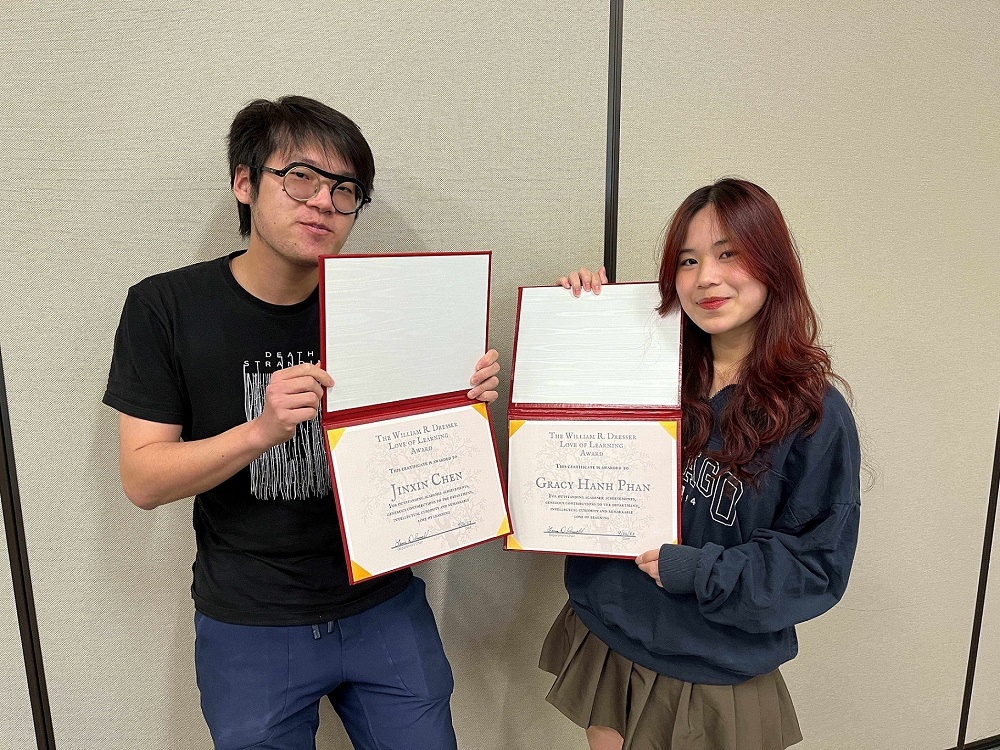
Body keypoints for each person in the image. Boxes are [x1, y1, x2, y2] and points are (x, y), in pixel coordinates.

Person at [103, 96, 500, 750]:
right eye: (300, 178)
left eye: (345, 190)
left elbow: (421, 444)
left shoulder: (386, 305)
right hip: (252, 624)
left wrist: (460, 403)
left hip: (383, 604)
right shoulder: (165, 307)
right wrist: (258, 432)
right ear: (244, 182)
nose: (323, 202)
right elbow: (143, 479)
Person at [544, 178, 861, 750]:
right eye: (688, 261)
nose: (706, 278)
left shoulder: (813, 413)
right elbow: (559, 433)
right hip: (614, 633)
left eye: (729, 254)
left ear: (772, 265)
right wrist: (587, 319)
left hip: (713, 665)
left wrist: (697, 571)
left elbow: (815, 567)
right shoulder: (647, 368)